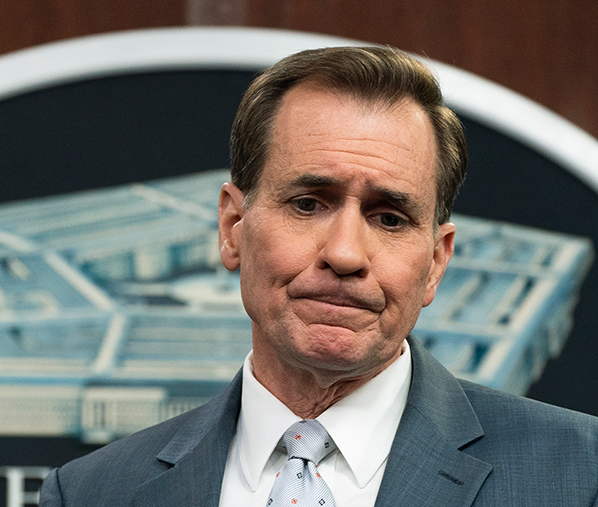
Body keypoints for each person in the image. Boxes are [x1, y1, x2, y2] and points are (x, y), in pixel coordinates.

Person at [39, 47, 598, 506]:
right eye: (308, 204)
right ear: (233, 227)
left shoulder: (581, 474)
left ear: (435, 262)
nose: (346, 253)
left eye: (389, 218)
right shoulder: (93, 493)